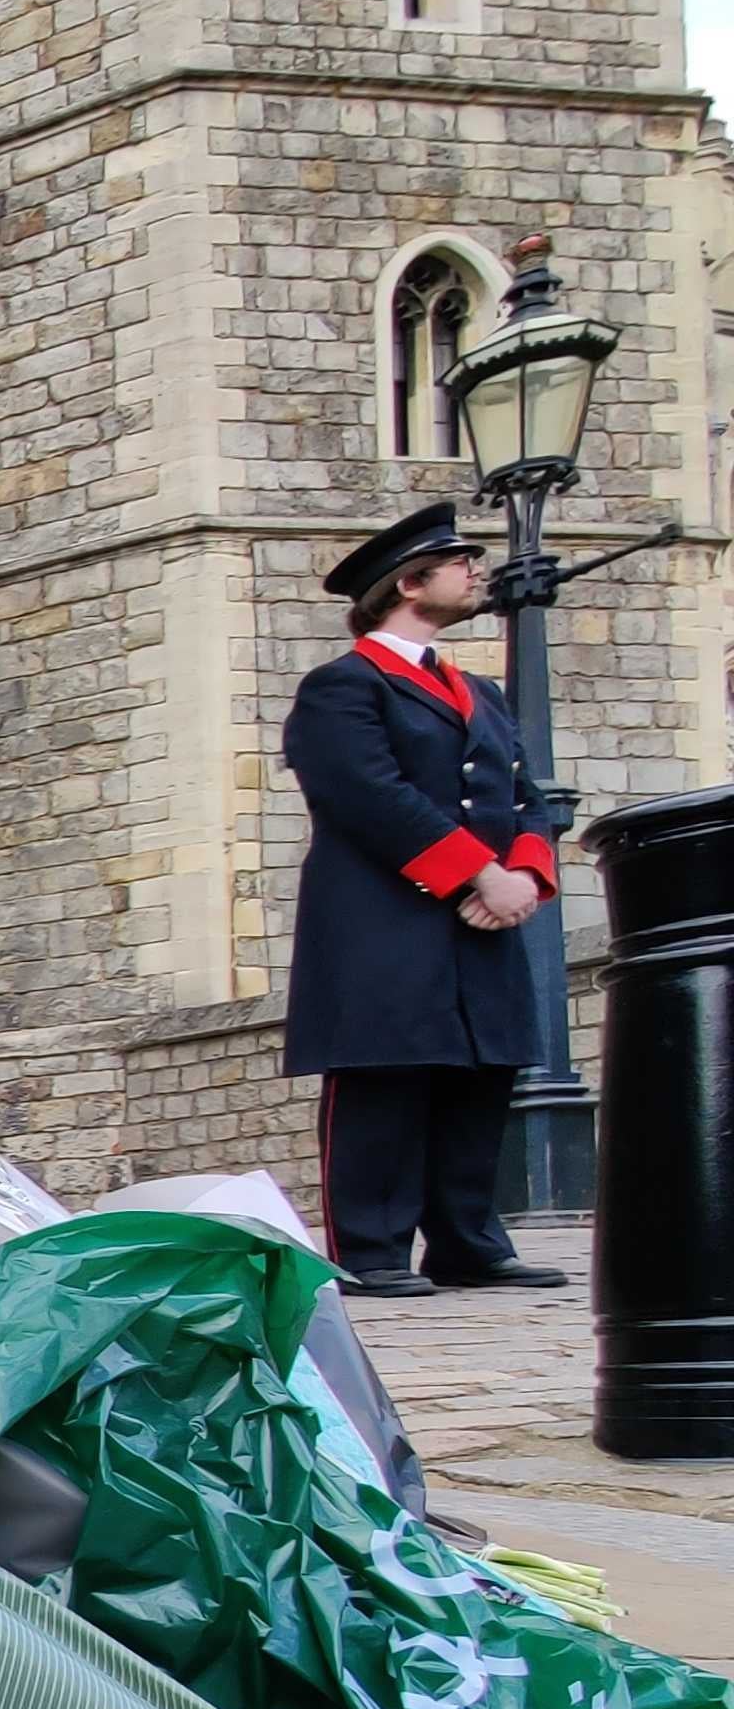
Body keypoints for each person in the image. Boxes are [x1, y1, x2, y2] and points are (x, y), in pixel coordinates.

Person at [279, 500, 568, 1299]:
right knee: (388, 1079)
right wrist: (479, 873)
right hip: (386, 919)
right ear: (410, 582)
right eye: (460, 561)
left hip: (481, 917)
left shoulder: (477, 689)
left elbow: (525, 795)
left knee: (480, 1077)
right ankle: (371, 1249)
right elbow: (367, 795)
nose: (477, 571)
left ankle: (469, 1242)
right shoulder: (342, 687)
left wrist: (528, 878)